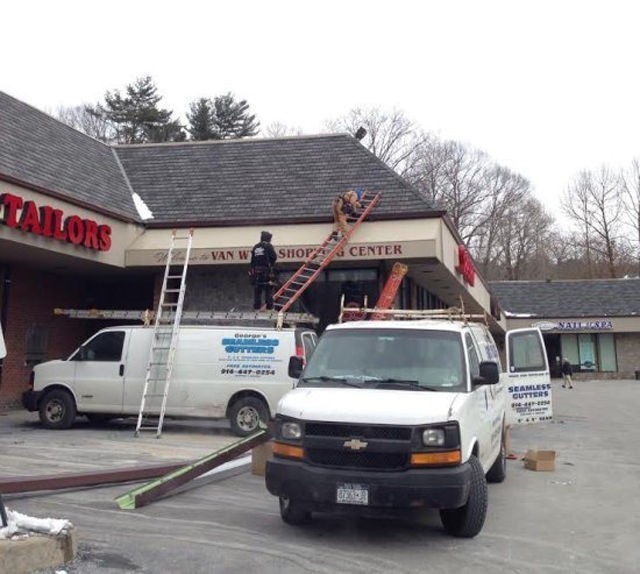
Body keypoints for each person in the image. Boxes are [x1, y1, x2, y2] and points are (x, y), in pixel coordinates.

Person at [249, 231, 278, 310]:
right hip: (265, 270)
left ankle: (257, 307)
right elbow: (274, 257)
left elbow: (252, 260)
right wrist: (271, 265)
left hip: (256, 270)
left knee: (257, 289)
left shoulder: (256, 247)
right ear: (268, 238)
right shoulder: (268, 246)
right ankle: (269, 307)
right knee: (268, 288)